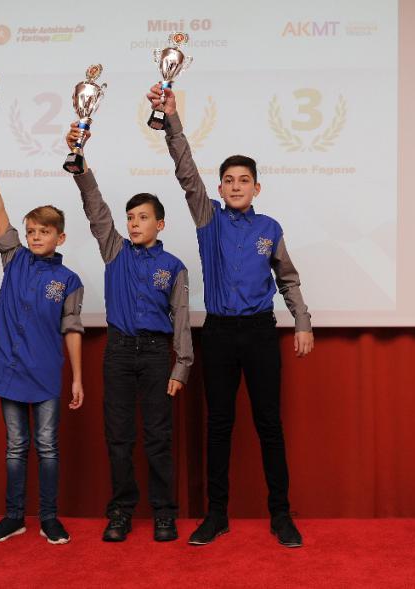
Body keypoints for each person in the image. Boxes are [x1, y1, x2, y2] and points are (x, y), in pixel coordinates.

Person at [146, 84, 315, 548]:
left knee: (269, 425)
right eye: (228, 180)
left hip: (260, 333)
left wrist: (302, 320)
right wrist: (172, 119)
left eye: (244, 180)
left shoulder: (270, 228)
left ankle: (281, 515)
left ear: (256, 188)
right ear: (219, 188)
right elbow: (185, 171)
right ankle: (216, 515)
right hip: (219, 334)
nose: (236, 186)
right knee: (219, 425)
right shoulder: (209, 219)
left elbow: (288, 279)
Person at [65, 125, 194, 543]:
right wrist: (81, 166)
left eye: (143, 218)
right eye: (130, 218)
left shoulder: (173, 267)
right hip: (119, 352)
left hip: (157, 355)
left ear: (160, 223)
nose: (135, 224)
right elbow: (95, 207)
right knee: (118, 437)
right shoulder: (114, 250)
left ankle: (164, 513)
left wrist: (181, 366)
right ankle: (120, 511)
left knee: (158, 437)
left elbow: (180, 318)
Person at [0, 143, 85, 545]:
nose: (34, 237)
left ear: (60, 237)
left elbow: (72, 329)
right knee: (16, 446)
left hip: (45, 372)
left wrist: (77, 378)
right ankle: (13, 517)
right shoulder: (13, 258)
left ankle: (49, 518)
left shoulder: (69, 281)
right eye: (31, 231)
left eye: (43, 232)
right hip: (8, 368)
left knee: (47, 447)